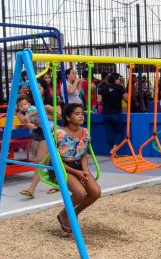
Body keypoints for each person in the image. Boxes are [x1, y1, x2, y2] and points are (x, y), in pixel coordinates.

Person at [54, 103, 100, 233]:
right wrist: (78, 173)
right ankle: (64, 214)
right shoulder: (59, 134)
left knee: (95, 192)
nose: (81, 116)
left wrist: (85, 171)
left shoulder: (85, 132)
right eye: (77, 114)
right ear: (68, 117)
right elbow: (55, 160)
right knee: (80, 193)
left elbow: (83, 154)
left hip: (78, 166)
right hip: (62, 167)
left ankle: (73, 213)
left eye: (82, 114)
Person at [98, 72, 127, 152]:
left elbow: (99, 100)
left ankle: (111, 149)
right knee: (120, 134)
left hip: (105, 114)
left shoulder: (102, 87)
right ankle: (114, 150)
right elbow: (127, 99)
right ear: (116, 80)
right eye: (119, 79)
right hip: (116, 113)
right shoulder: (119, 88)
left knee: (109, 133)